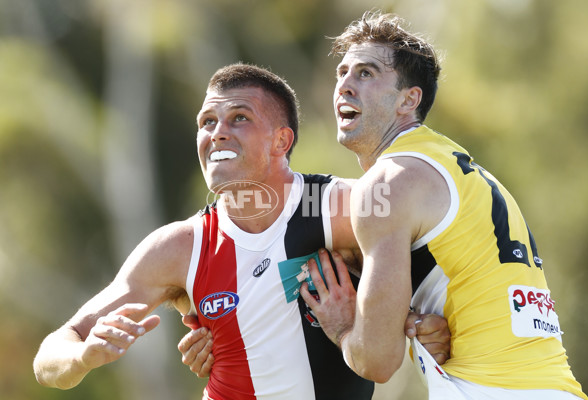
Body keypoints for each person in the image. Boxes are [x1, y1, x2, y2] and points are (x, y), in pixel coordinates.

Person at [33, 63, 449, 399]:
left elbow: (441, 284)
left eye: (239, 118)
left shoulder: (344, 207)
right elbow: (49, 359)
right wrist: (83, 357)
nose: (217, 133)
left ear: (280, 141)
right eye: (207, 121)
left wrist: (424, 325)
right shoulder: (179, 247)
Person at [299, 10, 588, 400]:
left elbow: (377, 361)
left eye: (365, 73)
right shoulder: (453, 165)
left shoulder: (388, 183)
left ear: (409, 99)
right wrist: (413, 322)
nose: (345, 86)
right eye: (342, 73)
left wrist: (341, 326)